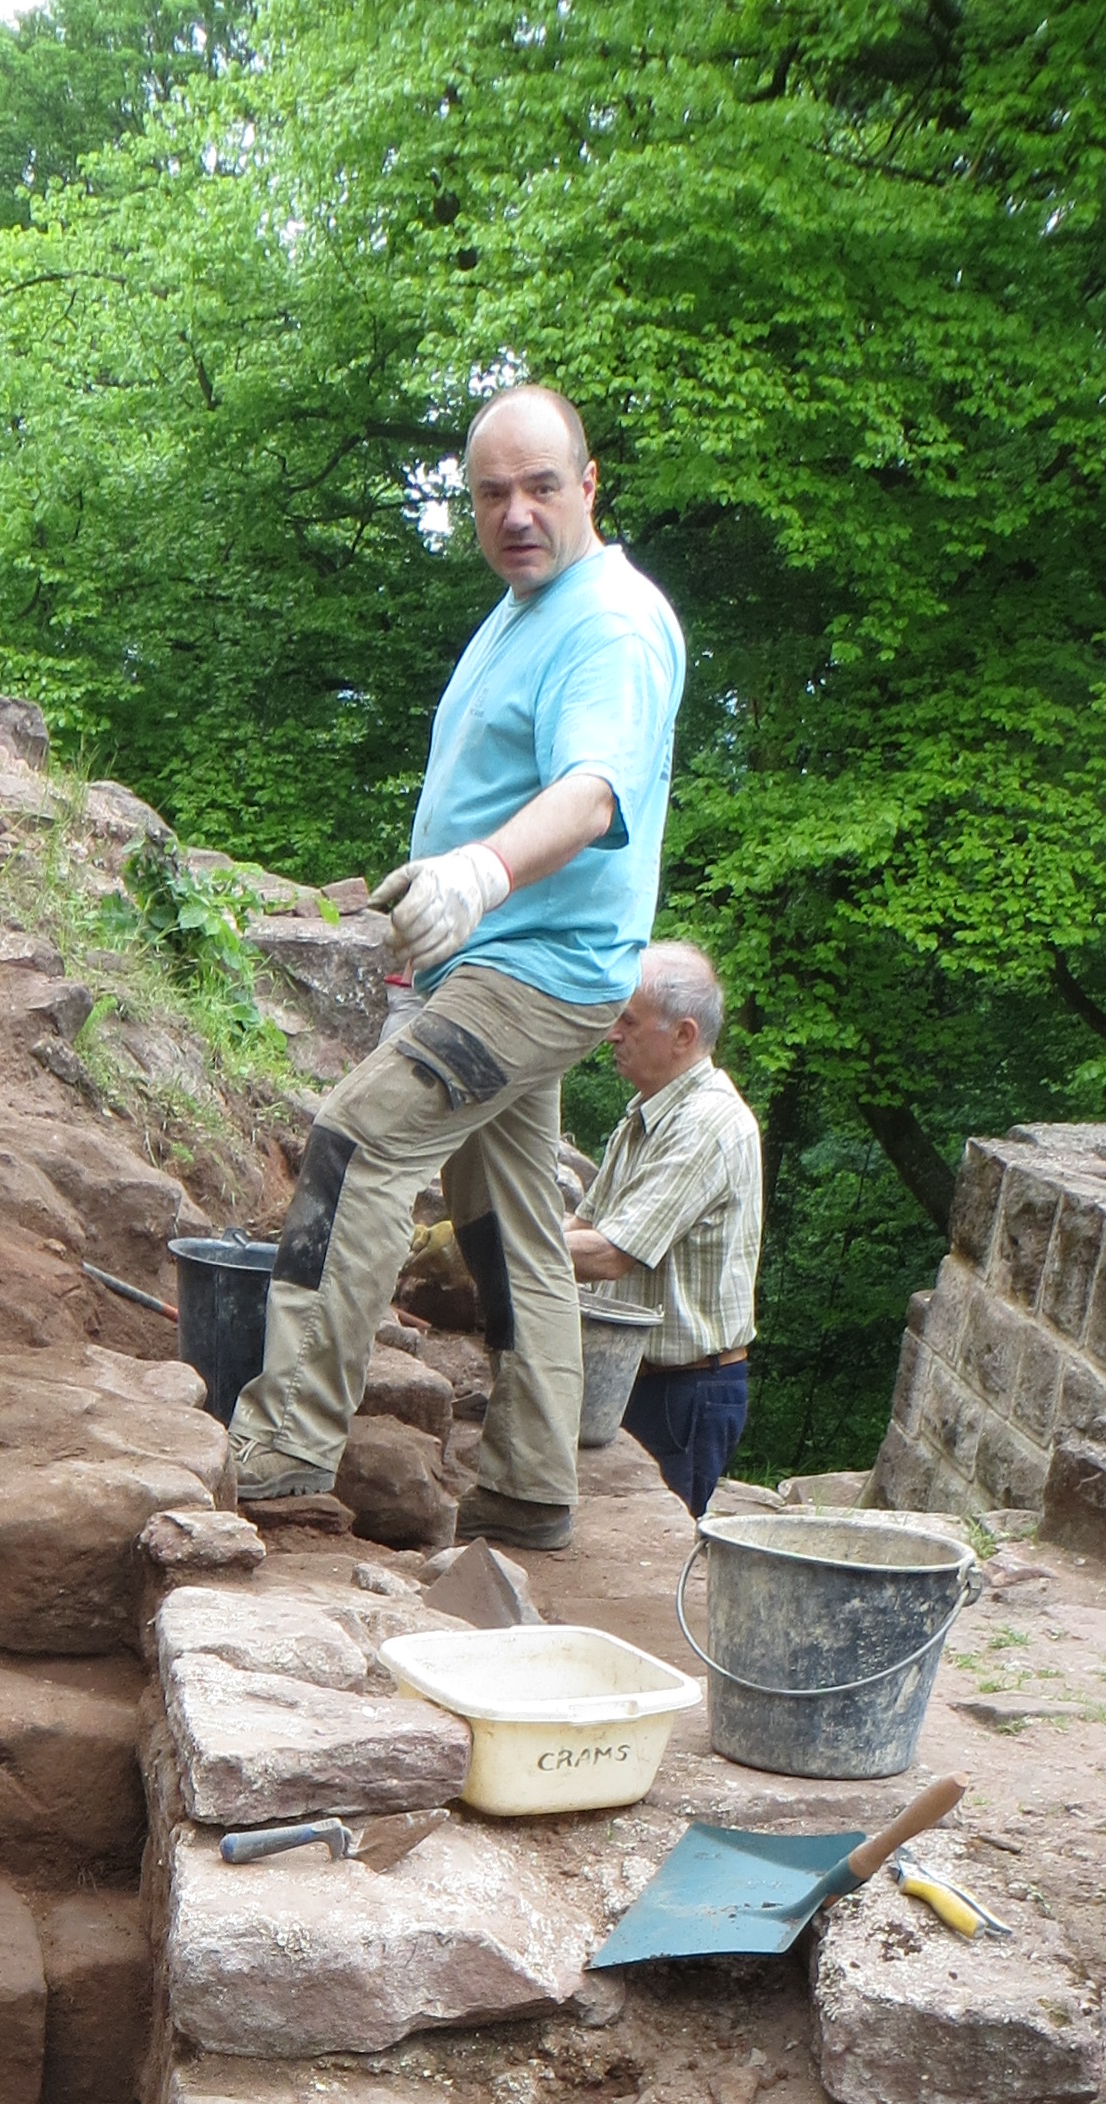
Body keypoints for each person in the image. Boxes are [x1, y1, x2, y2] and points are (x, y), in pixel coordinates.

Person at [228, 383, 687, 1555]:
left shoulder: (610, 625)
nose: (516, 513)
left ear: (590, 484)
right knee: (508, 1221)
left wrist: (479, 875)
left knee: (357, 1138)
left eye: (541, 486)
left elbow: (592, 795)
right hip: (500, 959)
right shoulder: (529, 608)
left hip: (535, 970)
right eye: (491, 494)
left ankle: (285, 1452)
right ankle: (530, 1484)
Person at [566, 938, 763, 1515]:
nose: (611, 1034)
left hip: (685, 1393)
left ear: (683, 1035)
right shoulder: (647, 1112)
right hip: (636, 1376)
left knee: (657, 1549)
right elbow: (583, 1223)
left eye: (628, 1021)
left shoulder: (706, 1125)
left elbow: (609, 1255)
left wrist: (499, 1246)